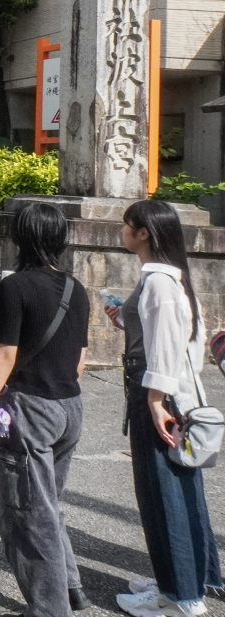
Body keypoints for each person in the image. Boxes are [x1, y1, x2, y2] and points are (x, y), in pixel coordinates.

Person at [106, 200, 223, 617]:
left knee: (163, 493)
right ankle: (190, 579)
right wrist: (125, 317)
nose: (123, 231)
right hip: (170, 394)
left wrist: (155, 400)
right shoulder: (172, 278)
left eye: (127, 226)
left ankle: (180, 597)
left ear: (144, 234)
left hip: (160, 397)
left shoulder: (159, 282)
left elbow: (168, 347)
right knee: (178, 489)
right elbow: (171, 337)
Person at [0, 202, 90, 617]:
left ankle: (48, 608)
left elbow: (6, 356)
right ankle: (71, 589)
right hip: (70, 408)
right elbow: (80, 358)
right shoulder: (76, 288)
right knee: (49, 506)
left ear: (20, 237)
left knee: (26, 513)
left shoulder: (15, 286)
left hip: (33, 411)